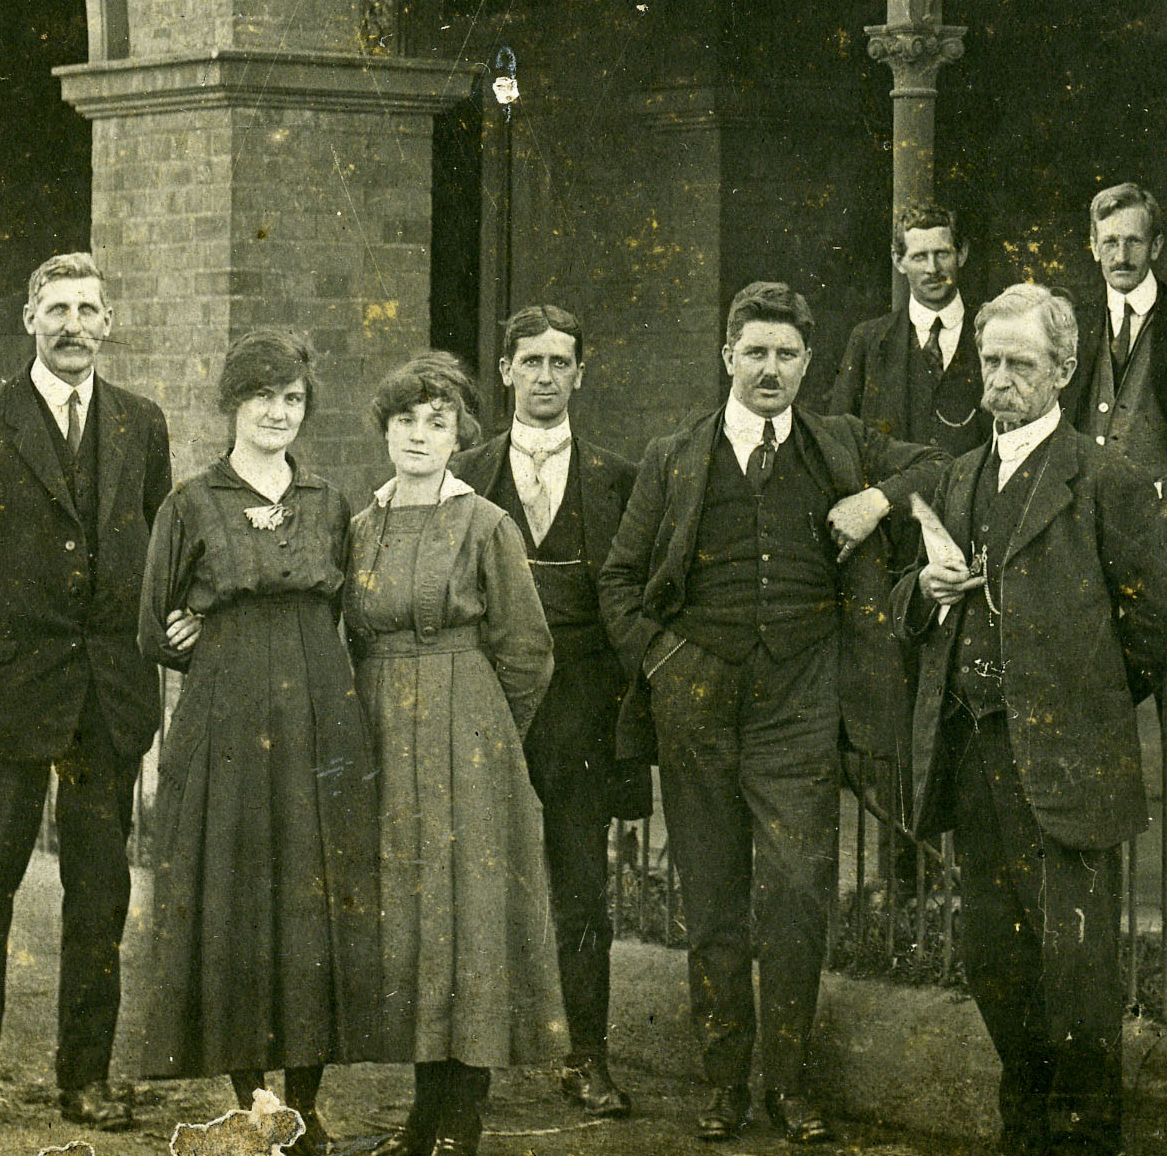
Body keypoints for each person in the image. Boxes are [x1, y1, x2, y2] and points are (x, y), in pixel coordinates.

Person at [599, 282, 931, 1144]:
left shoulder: (843, 445)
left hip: (800, 702)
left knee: (797, 894)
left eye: (786, 354)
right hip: (698, 704)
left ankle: (786, 1081)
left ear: (809, 363)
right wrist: (664, 664)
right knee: (711, 901)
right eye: (755, 353)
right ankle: (721, 1083)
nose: (771, 368)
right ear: (728, 359)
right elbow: (619, 581)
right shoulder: (676, 455)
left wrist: (879, 501)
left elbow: (945, 466)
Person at [900, 284, 1167, 1156]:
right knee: (993, 955)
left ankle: (1083, 1135)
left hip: (1070, 762)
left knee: (1076, 969)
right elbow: (911, 610)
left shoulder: (1104, 478)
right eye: (990, 362)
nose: (1000, 381)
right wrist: (922, 590)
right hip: (976, 753)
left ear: (1064, 370)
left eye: (1020, 364)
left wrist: (1084, 703)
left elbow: (1162, 629)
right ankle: (1022, 1124)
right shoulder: (960, 476)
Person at [0, 252, 171, 1136]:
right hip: (8, 691)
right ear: (29, 320)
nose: (72, 326)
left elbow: (148, 540)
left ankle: (86, 1080)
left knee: (99, 895)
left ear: (108, 323)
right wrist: (1, 620)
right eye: (55, 308)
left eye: (87, 310)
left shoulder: (141, 424)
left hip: (106, 697)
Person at [128, 332, 382, 1156]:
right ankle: (256, 1100)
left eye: (293, 400)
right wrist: (196, 633)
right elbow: (154, 625)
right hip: (228, 713)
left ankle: (306, 1102)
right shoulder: (192, 502)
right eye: (264, 397)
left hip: (320, 708)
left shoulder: (330, 500)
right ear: (233, 405)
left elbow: (352, 609)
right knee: (235, 893)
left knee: (315, 892)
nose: (279, 414)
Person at [353, 350, 564, 1156]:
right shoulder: (361, 525)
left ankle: (461, 1121)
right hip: (384, 733)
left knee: (469, 921)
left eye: (437, 422)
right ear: (385, 430)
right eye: (405, 420)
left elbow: (528, 651)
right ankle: (419, 1117)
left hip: (470, 739)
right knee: (411, 921)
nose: (418, 434)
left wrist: (481, 731)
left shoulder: (486, 523)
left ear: (459, 434)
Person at [454, 305, 648, 1122]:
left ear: (580, 374)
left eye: (559, 363)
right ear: (504, 371)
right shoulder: (462, 472)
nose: (543, 377)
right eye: (529, 361)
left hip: (581, 716)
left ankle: (586, 1055)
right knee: (479, 880)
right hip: (487, 708)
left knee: (578, 884)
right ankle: (471, 1062)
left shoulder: (617, 476)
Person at [1068, 183, 1167, 917]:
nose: (1121, 255)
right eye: (1109, 242)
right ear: (1092, 246)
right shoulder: (1075, 321)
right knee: (1090, 698)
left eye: (1134, 241)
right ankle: (1091, 858)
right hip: (1087, 539)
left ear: (1156, 247)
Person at [821, 204, 989, 459]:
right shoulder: (868, 340)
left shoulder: (991, 335)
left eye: (942, 254)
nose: (932, 269)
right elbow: (838, 440)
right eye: (919, 257)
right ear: (898, 261)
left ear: (962, 253)